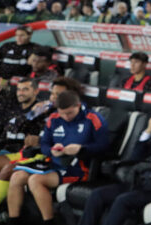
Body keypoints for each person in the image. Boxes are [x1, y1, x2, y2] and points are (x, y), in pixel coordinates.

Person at [7, 90, 109, 225]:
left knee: (35, 180)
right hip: (54, 162)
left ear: (78, 105)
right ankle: (13, 221)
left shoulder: (93, 118)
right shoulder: (54, 118)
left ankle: (49, 222)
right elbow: (44, 143)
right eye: (62, 113)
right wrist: (51, 151)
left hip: (78, 167)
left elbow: (103, 146)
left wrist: (82, 149)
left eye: (70, 113)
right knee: (16, 177)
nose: (66, 117)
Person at [79, 115, 151, 225]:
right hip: (138, 181)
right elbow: (135, 156)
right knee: (97, 195)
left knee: (122, 200)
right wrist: (149, 130)